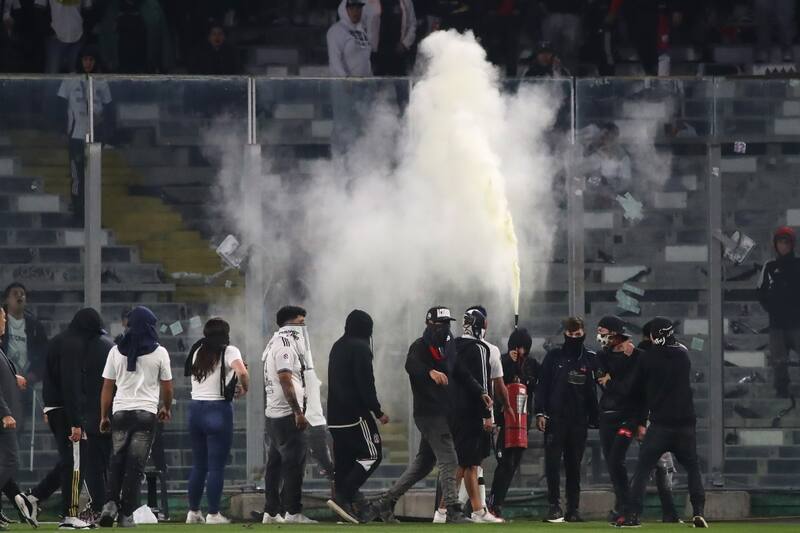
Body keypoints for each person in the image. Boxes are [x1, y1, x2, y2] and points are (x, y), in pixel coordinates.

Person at [374, 306, 469, 524]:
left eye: (447, 324)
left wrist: (480, 392)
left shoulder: (449, 346)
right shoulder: (420, 346)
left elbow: (460, 372)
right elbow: (411, 365)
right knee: (449, 458)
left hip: (444, 412)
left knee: (424, 464)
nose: (445, 328)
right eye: (440, 324)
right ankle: (453, 509)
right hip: (429, 413)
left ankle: (385, 503)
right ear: (429, 324)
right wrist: (430, 372)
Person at [618, 317, 707, 528]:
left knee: (643, 469)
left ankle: (633, 515)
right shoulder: (683, 356)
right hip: (685, 423)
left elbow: (635, 387)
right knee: (693, 468)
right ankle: (698, 511)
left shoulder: (647, 359)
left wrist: (633, 356)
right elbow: (671, 353)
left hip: (660, 424)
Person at [98, 306, 173, 528]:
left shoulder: (115, 351)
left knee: (117, 460)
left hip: (120, 412)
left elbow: (107, 387)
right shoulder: (160, 353)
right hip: (146, 415)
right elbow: (167, 388)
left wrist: (104, 416)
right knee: (135, 466)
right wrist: (166, 407)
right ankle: (126, 513)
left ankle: (110, 503)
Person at [184, 318, 249, 525]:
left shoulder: (197, 350)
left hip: (195, 410)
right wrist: (245, 388)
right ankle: (213, 514)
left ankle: (193, 512)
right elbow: (242, 371)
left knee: (198, 465)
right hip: (218, 409)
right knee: (216, 467)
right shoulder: (229, 350)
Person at [534, 316, 598, 523]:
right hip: (555, 419)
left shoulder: (590, 358)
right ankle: (554, 507)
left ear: (583, 333)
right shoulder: (553, 357)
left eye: (578, 334)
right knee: (552, 465)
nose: (574, 338)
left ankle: (573, 509)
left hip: (579, 421)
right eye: (571, 334)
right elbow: (542, 386)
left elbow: (592, 392)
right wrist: (540, 412)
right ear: (565, 334)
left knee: (574, 466)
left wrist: (595, 417)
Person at [326, 309, 387, 524]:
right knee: (373, 454)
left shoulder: (337, 346)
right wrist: (377, 411)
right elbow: (365, 383)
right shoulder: (361, 348)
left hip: (334, 416)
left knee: (344, 461)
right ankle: (346, 494)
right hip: (354, 415)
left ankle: (344, 505)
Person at [445, 307, 502, 523]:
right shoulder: (480, 348)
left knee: (470, 463)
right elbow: (484, 385)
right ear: (481, 326)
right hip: (471, 413)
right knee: (464, 462)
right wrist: (488, 414)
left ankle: (479, 510)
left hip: (451, 411)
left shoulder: (453, 346)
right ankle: (443, 511)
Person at [261, 306, 316, 525]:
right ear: (290, 324)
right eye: (300, 322)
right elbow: (285, 378)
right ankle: (293, 512)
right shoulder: (285, 345)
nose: (303, 327)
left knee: (274, 464)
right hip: (286, 415)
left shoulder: (274, 342)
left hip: (274, 414)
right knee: (294, 465)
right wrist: (298, 412)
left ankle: (271, 512)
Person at [593, 316, 644, 524]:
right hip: (607, 417)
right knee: (614, 465)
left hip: (628, 418)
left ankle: (628, 509)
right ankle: (624, 508)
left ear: (615, 334)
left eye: (604, 332)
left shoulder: (638, 356)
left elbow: (630, 389)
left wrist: (614, 382)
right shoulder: (600, 357)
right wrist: (616, 384)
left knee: (616, 461)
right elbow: (606, 384)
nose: (600, 337)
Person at [487, 328, 537, 518]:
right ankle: (491, 503)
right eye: (518, 347)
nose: (521, 351)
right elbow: (496, 382)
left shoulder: (531, 364)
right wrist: (510, 362)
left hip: (522, 422)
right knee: (505, 462)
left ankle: (496, 503)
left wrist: (521, 370)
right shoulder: (503, 361)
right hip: (503, 421)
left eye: (524, 348)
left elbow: (533, 384)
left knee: (513, 462)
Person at [0, 283, 47, 439]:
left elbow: (43, 353)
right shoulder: (2, 321)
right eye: (15, 293)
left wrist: (35, 374)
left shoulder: (34, 325)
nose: (20, 296)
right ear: (7, 300)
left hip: (25, 380)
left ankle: (15, 444)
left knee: (20, 419)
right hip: (4, 379)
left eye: (22, 293)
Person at [758, 226, 800, 398]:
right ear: (775, 245)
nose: (783, 246)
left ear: (792, 245)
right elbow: (760, 291)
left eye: (787, 242)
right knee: (778, 361)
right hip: (777, 324)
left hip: (797, 322)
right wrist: (773, 309)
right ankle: (781, 391)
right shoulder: (769, 266)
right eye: (780, 242)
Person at [0, 308, 20, 533]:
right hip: (2, 417)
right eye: (2, 317)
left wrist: (14, 376)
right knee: (11, 461)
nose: (5, 320)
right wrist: (4, 412)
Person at [35, 0, 92, 73]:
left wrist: (85, 30)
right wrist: (48, 31)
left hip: (78, 36)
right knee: (52, 75)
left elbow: (88, 10)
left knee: (77, 75)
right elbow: (38, 9)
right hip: (55, 38)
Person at [363, 0, 416, 75]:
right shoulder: (368, 2)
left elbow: (412, 24)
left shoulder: (406, 2)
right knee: (375, 84)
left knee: (400, 84)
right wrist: (368, 46)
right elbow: (361, 25)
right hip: (376, 54)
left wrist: (405, 44)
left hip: (399, 53)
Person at [327, 0, 372, 77]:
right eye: (351, 8)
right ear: (344, 10)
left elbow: (365, 59)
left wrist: (371, 79)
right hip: (344, 84)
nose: (356, 11)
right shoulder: (336, 30)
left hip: (364, 83)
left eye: (358, 8)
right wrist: (346, 79)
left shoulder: (362, 30)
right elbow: (335, 60)